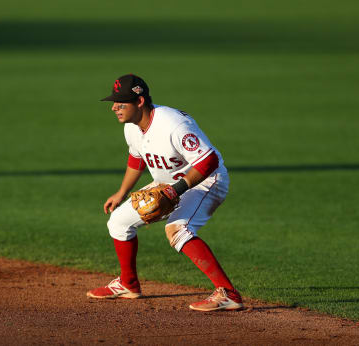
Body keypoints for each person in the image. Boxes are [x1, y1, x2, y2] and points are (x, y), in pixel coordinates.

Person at [86, 74, 243, 311]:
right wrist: (122, 192)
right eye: (114, 102)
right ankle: (129, 285)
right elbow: (137, 159)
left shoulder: (173, 125)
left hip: (207, 181)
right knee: (118, 222)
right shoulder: (132, 127)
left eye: (121, 102)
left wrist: (176, 190)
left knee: (177, 229)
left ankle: (229, 294)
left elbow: (208, 161)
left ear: (139, 102)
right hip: (167, 184)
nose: (114, 108)